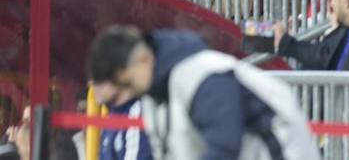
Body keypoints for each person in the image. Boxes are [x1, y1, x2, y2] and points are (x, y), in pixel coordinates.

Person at [88, 26, 316, 160]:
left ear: (144, 59)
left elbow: (224, 148)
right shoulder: (153, 91)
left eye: (127, 84)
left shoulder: (204, 76)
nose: (129, 94)